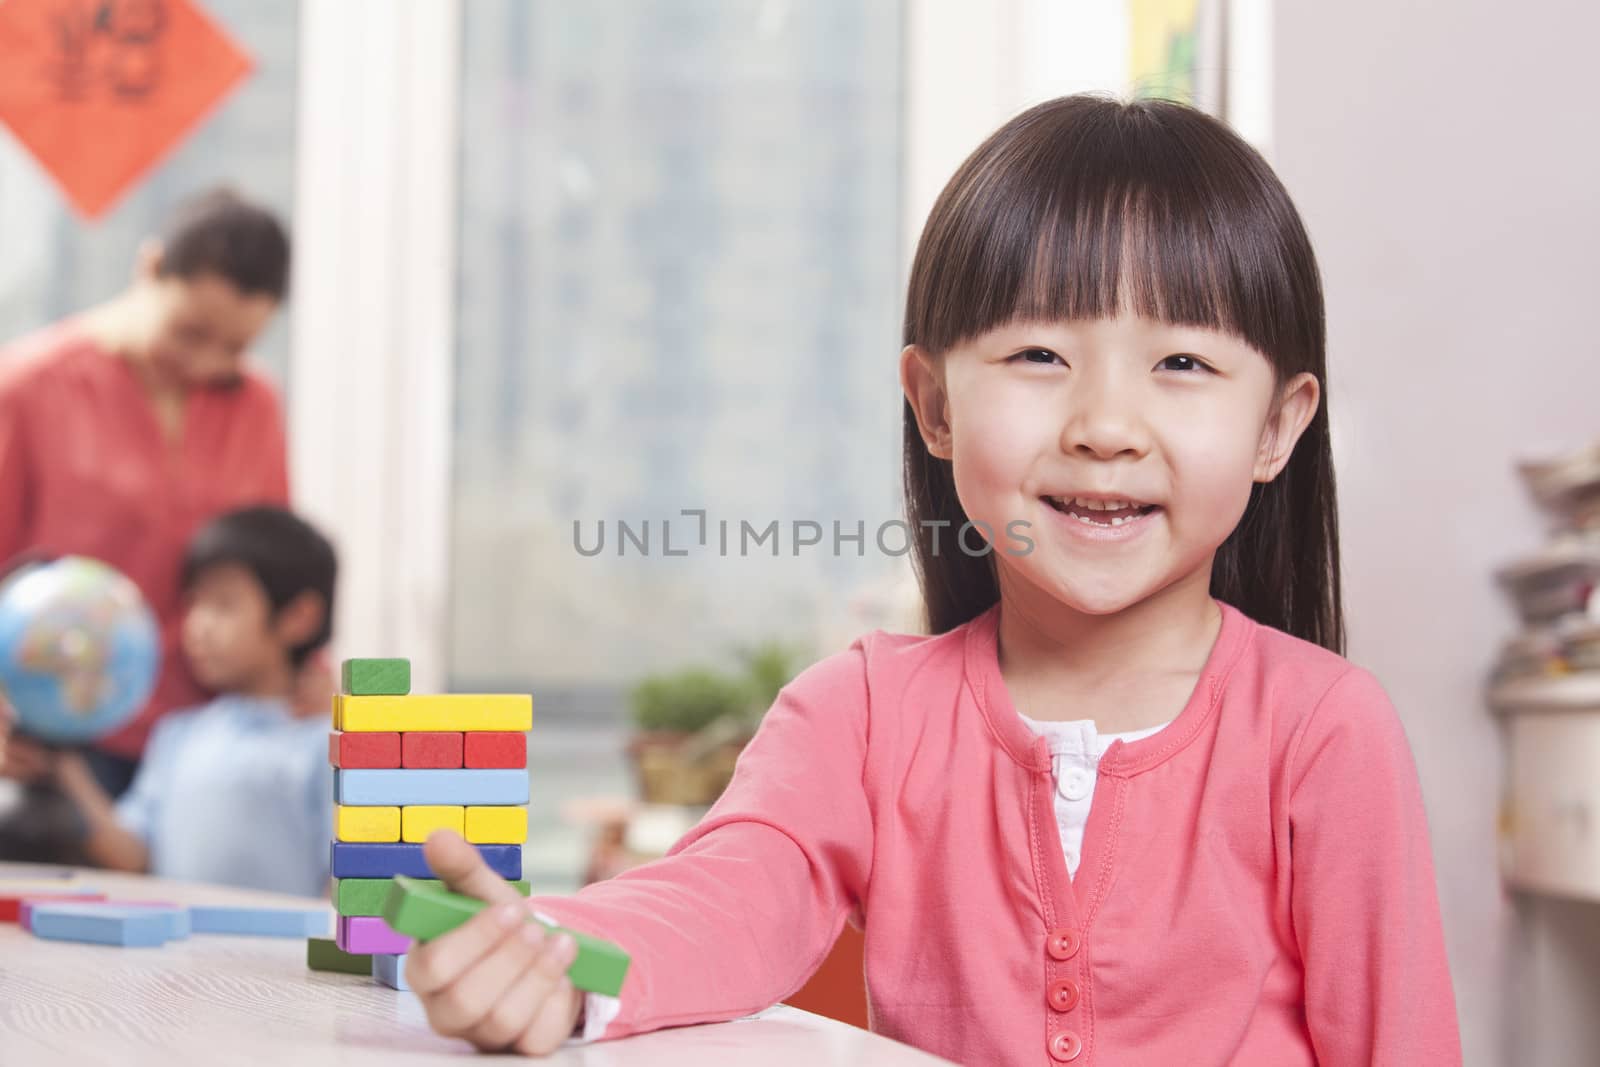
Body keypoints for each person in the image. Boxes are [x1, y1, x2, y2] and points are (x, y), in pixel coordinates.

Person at [401, 95, 1463, 1063]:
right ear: (934, 405)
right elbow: (726, 897)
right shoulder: (857, 715)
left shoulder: (1325, 731)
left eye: (1181, 363)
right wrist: (552, 956)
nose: (1103, 426)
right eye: (1040, 355)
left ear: (1277, 423)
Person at [0, 186, 307, 799]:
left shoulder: (256, 404)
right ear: (150, 268)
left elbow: (272, 564)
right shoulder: (29, 386)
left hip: (203, 738)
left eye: (236, 347)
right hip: (54, 737)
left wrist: (304, 676)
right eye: (190, 332)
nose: (206, 363)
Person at [2, 506, 338, 896]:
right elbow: (132, 855)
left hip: (280, 955)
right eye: (194, 604)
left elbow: (342, 879)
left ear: (299, 617)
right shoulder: (178, 735)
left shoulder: (325, 743)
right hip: (177, 956)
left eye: (223, 604)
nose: (198, 624)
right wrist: (66, 772)